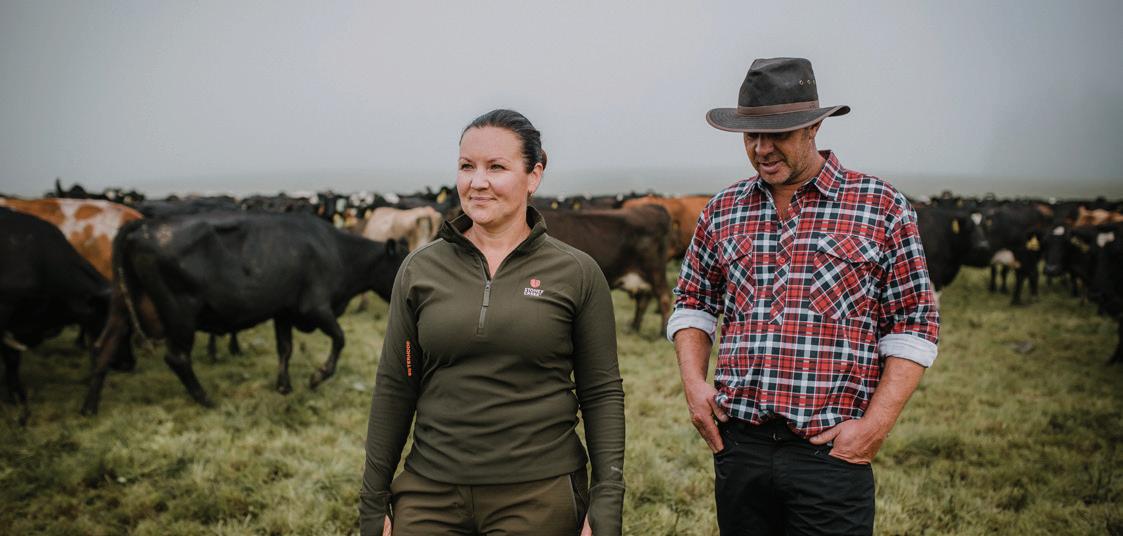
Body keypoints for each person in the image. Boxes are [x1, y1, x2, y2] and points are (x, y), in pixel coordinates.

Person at [669, 57, 940, 535]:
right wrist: (694, 386)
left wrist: (873, 428)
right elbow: (693, 302)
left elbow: (914, 322)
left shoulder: (880, 206)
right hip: (740, 446)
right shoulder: (723, 209)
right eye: (751, 135)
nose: (762, 149)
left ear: (815, 126)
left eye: (778, 134)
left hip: (831, 451)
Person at [359, 109, 625, 536]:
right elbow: (395, 386)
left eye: (496, 167)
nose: (477, 182)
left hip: (539, 494)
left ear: (533, 175)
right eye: (467, 166)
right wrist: (373, 502)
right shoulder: (419, 269)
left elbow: (601, 392)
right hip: (429, 493)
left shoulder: (576, 272)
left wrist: (607, 502)